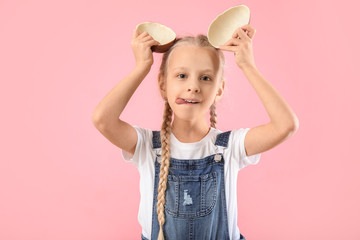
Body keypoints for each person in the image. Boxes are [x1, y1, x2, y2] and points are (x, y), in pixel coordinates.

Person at [92, 24, 299, 240]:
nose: (193, 86)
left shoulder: (230, 147)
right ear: (163, 85)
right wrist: (142, 66)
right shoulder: (146, 146)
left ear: (219, 90)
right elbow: (102, 119)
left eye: (206, 78)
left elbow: (286, 125)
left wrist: (248, 65)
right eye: (181, 75)